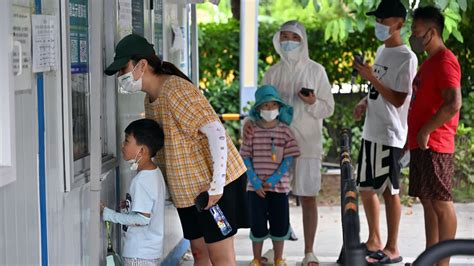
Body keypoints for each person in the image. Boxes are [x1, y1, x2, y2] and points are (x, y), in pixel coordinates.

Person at [104, 34, 248, 265]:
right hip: (188, 194)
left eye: (123, 69)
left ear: (142, 65)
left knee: (220, 258)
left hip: (212, 189)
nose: (122, 76)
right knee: (200, 253)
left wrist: (216, 186)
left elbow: (216, 132)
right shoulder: (150, 99)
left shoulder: (176, 90)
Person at [244, 20, 334, 266]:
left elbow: (329, 108)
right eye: (283, 37)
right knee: (274, 197)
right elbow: (260, 105)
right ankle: (277, 251)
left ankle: (309, 251)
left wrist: (313, 101)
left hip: (307, 144)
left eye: (293, 37)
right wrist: (249, 123)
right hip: (272, 147)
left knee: (308, 197)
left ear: (302, 41)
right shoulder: (273, 72)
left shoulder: (317, 71)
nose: (288, 42)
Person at [352, 0, 418, 264]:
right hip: (372, 131)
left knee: (390, 191)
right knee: (366, 188)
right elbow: (380, 91)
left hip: (390, 134)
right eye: (377, 20)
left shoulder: (407, 57)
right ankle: (374, 238)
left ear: (399, 24)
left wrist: (371, 78)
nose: (378, 24)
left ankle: (392, 247)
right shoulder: (382, 50)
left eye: (383, 20)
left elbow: (400, 99)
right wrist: (364, 100)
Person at [407, 6, 462, 266]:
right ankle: (431, 257)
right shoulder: (429, 62)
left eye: (415, 31)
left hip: (435, 144)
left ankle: (443, 262)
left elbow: (454, 102)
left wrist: (427, 129)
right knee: (428, 202)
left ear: (431, 32)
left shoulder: (445, 60)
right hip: (422, 144)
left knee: (441, 203)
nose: (412, 36)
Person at [241, 85, 300, 266]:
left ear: (279, 108)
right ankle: (257, 259)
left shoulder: (285, 131)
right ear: (258, 108)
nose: (270, 109)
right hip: (255, 189)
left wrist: (273, 180)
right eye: (265, 105)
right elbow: (245, 157)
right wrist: (256, 182)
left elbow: (289, 159)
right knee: (257, 225)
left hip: (279, 188)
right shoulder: (251, 131)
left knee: (280, 224)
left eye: (273, 105)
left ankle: (278, 258)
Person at [100, 118, 166, 266]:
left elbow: (142, 219)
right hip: (149, 251)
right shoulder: (154, 173)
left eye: (127, 141)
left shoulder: (141, 180)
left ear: (141, 150)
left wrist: (109, 215)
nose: (122, 145)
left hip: (139, 254)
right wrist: (130, 205)